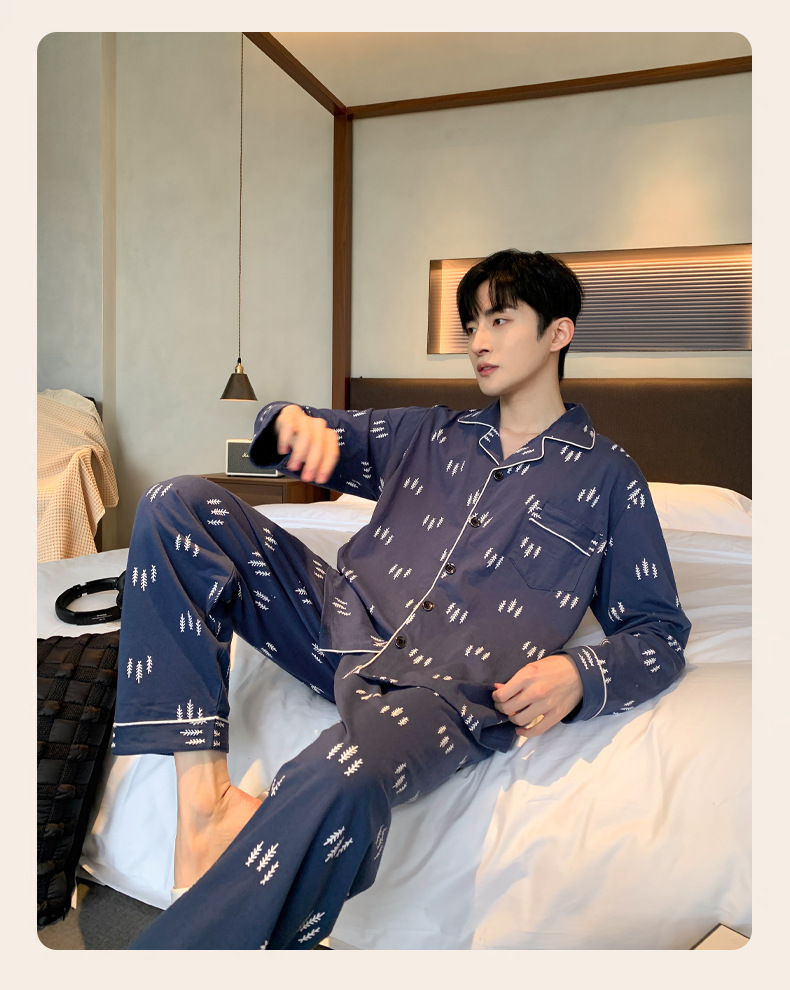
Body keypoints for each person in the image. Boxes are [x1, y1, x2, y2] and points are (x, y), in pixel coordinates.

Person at [113, 249, 690, 949]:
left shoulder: (608, 478)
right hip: (337, 623)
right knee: (175, 503)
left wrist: (581, 674)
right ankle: (203, 805)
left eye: (500, 321)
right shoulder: (427, 434)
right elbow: (300, 429)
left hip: (445, 692)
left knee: (335, 776)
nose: (477, 342)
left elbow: (658, 631)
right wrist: (287, 420)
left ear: (558, 333)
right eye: (470, 326)